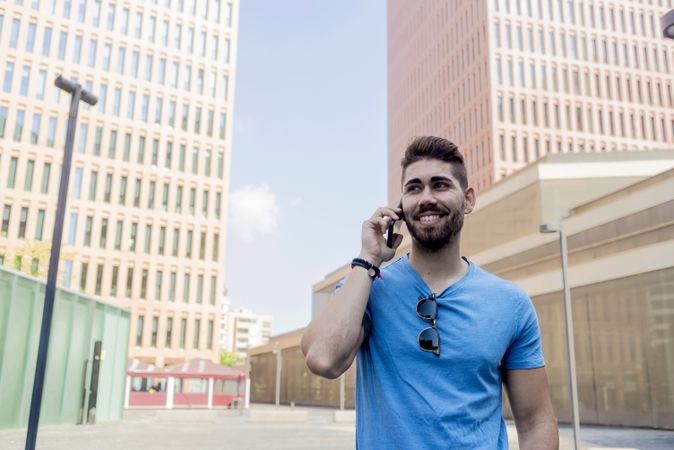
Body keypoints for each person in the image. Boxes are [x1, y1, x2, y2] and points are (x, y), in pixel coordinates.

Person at [301, 136, 558, 449]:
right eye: (413, 188)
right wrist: (368, 259)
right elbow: (323, 359)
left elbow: (536, 422)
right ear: (400, 208)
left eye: (440, 185)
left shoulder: (511, 303)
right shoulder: (367, 284)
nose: (426, 198)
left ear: (468, 199)